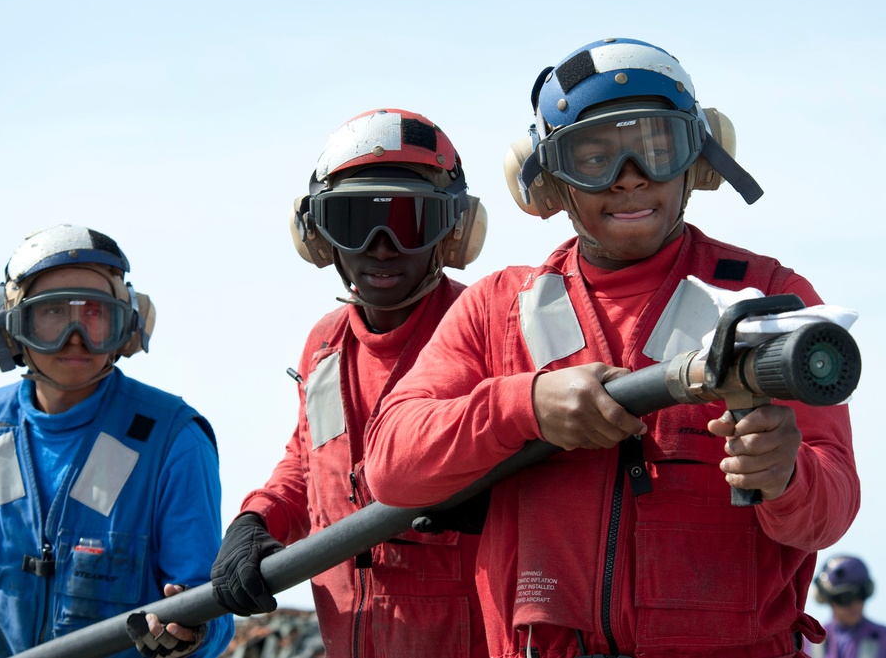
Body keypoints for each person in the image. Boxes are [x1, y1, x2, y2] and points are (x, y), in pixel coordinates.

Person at [364, 38, 860, 658]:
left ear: (699, 160)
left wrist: (788, 475)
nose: (630, 178)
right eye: (593, 156)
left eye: (657, 148)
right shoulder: (496, 308)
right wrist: (527, 405)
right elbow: (391, 461)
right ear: (549, 182)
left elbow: (833, 507)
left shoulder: (770, 299)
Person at [210, 108, 490, 657]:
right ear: (317, 235)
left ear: (453, 231)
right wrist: (255, 518)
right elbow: (307, 460)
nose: (381, 246)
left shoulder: (484, 326)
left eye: (411, 221)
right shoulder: (325, 346)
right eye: (354, 221)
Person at [0, 225, 234, 658]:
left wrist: (190, 635)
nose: (75, 337)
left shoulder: (170, 440)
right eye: (53, 313)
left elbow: (209, 605)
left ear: (128, 325)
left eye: (96, 313)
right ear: (11, 325)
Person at [806, 555, 886, 658]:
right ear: (829, 600)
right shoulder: (810, 641)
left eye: (860, 594)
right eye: (845, 598)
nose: (855, 605)